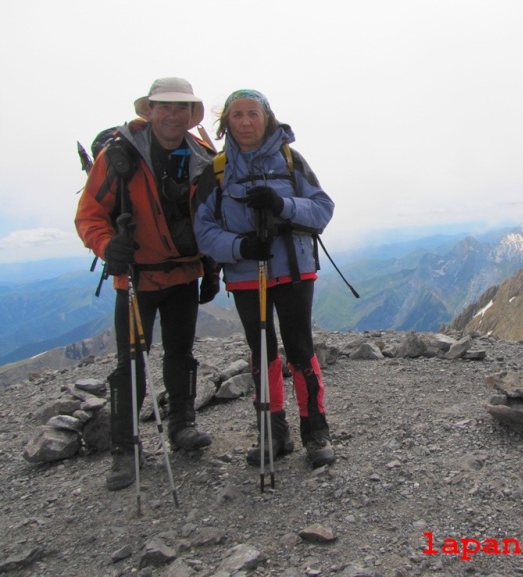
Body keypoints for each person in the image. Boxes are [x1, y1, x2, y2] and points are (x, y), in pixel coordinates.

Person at [75, 77, 217, 491]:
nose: (173, 115)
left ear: (190, 115)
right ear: (149, 111)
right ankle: (125, 448)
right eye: (164, 107)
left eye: (181, 108)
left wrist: (211, 268)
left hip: (185, 273)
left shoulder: (203, 156)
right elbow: (90, 216)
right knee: (131, 362)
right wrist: (107, 246)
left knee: (181, 352)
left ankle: (182, 425)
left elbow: (208, 218)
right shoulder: (119, 154)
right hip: (136, 274)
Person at [193, 89, 335, 468]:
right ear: (227, 123)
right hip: (245, 273)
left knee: (300, 347)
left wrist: (281, 205)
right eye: (236, 115)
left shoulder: (291, 160)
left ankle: (315, 432)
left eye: (252, 113)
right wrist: (241, 247)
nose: (245, 122)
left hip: (294, 269)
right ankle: (274, 433)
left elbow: (323, 209)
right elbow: (203, 231)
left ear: (267, 118)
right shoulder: (217, 170)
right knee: (262, 352)